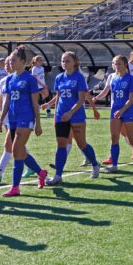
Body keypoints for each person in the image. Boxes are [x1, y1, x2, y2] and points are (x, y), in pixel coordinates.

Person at [0, 46, 48, 197]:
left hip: (26, 119)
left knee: (15, 151)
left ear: (23, 62)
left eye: (13, 60)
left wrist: (38, 123)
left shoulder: (30, 79)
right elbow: (7, 102)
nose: (10, 63)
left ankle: (15, 187)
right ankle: (41, 172)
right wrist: (1, 120)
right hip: (12, 119)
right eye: (10, 60)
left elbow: (35, 103)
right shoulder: (10, 79)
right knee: (21, 151)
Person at [46, 52, 101, 185]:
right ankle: (58, 175)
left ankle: (95, 164)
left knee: (81, 144)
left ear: (75, 62)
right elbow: (58, 97)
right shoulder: (59, 77)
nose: (64, 63)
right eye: (63, 61)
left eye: (68, 61)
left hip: (76, 115)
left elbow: (82, 98)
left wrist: (70, 112)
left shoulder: (79, 77)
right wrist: (55, 116)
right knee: (61, 145)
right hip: (61, 115)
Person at [92, 55, 133, 172]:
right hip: (115, 111)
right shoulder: (112, 77)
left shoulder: (130, 79)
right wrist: (96, 98)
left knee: (132, 139)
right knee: (114, 138)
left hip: (128, 111)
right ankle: (114, 165)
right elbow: (106, 91)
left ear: (125, 65)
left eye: (119, 63)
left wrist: (122, 110)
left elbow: (132, 98)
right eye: (114, 63)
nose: (116, 66)